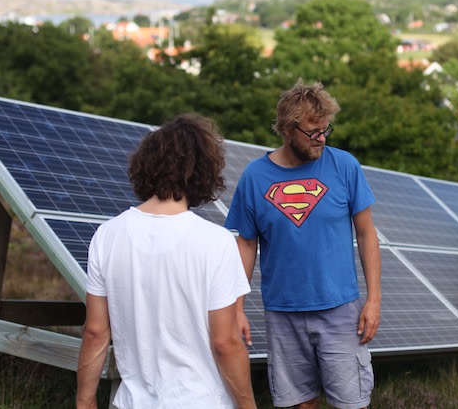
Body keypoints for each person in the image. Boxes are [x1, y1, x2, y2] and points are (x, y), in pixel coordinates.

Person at [76, 114, 256, 409]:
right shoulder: (216, 241)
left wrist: (84, 402)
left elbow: (96, 331)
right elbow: (225, 342)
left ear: (145, 165)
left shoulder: (107, 235)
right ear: (203, 172)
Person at [225, 79, 381, 409]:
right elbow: (246, 245)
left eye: (325, 130)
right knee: (299, 404)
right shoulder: (255, 177)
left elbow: (367, 233)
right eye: (313, 132)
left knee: (351, 403)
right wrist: (236, 307)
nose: (321, 138)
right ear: (286, 128)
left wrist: (374, 300)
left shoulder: (345, 166)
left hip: (340, 309)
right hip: (282, 313)